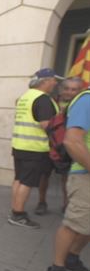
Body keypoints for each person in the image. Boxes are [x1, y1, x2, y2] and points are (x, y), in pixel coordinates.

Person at [45, 87, 90, 271]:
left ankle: (72, 259)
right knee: (74, 223)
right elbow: (72, 141)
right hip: (84, 174)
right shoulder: (87, 99)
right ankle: (57, 268)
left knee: (87, 224)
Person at [8, 68, 61, 229]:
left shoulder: (25, 96)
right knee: (27, 182)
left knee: (19, 179)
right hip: (34, 148)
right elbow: (46, 125)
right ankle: (18, 215)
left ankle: (15, 210)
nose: (55, 83)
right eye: (54, 80)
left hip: (20, 145)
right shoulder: (43, 99)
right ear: (45, 81)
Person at [44, 77, 85, 213]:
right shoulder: (51, 102)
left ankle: (66, 204)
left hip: (68, 149)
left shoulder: (81, 104)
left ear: (80, 90)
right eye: (66, 88)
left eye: (74, 89)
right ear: (61, 89)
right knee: (44, 176)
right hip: (50, 145)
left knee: (66, 178)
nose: (69, 92)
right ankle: (41, 202)